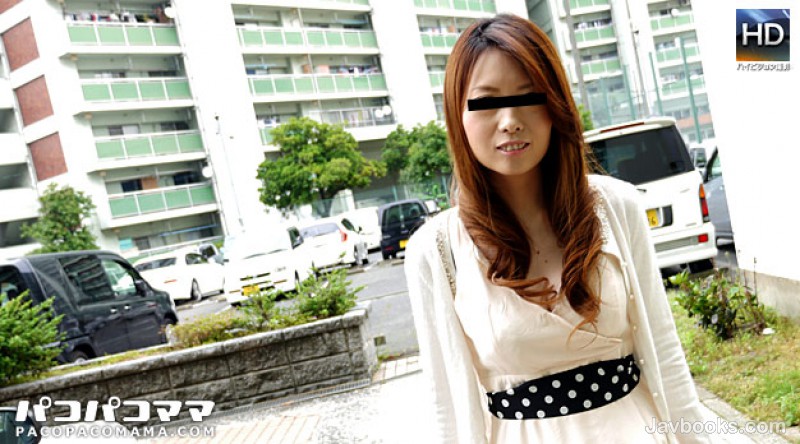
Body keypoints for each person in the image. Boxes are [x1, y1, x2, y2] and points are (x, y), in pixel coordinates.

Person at [403, 14, 749, 444]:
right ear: (458, 116)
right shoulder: (436, 249)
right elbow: (447, 405)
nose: (509, 120)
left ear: (555, 105)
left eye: (528, 97)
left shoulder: (615, 205)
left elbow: (664, 347)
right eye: (486, 102)